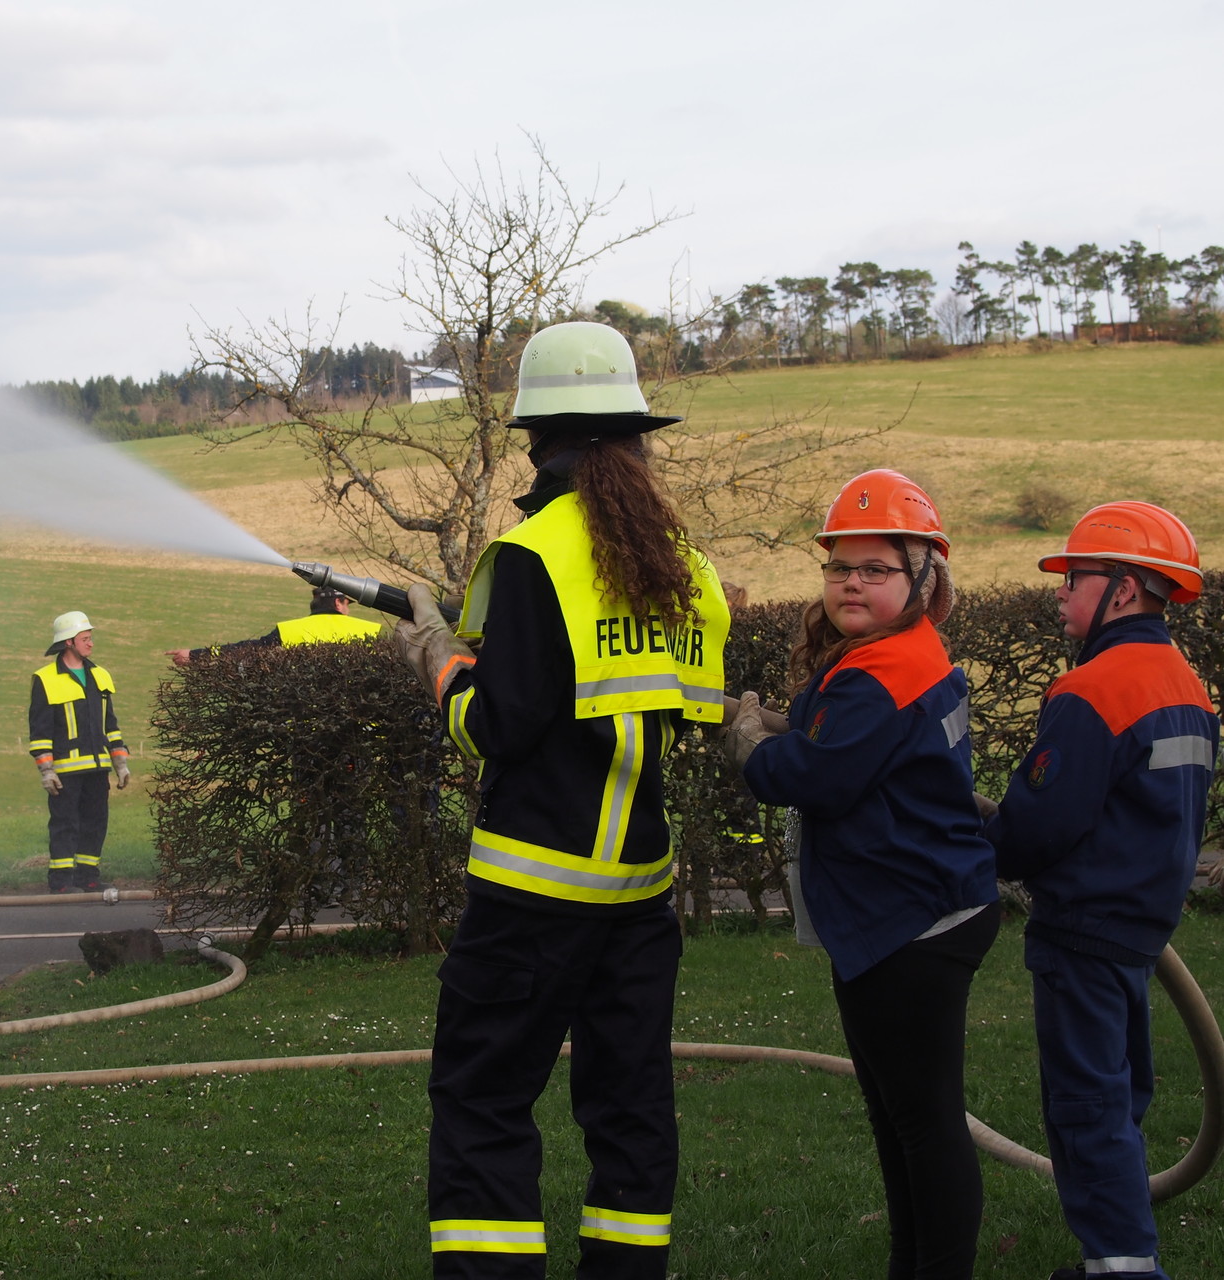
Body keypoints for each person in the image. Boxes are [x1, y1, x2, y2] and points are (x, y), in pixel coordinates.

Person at [394, 320, 730, 1279]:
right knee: (630, 1105)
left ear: (535, 441)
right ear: (632, 437)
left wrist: (440, 663)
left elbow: (495, 726)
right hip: (638, 894)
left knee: (485, 1099)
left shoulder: (535, 555)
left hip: (531, 897)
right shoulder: (679, 562)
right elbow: (680, 710)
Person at [721, 469, 1000, 1280]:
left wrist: (752, 747)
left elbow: (815, 779)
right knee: (903, 1120)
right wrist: (787, 725)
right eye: (840, 566)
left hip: (911, 926)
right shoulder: (897, 653)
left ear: (922, 578)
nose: (852, 582)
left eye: (876, 569)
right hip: (916, 910)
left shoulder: (882, 674)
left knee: (923, 1123)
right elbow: (839, 739)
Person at [979, 501, 1217, 1280]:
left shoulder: (1092, 690)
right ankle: (1119, 1251)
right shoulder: (1186, 686)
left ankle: (1122, 1267)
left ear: (1122, 589)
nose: (1058, 592)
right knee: (1120, 1093)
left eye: (1073, 578)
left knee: (1086, 1107)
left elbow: (1037, 828)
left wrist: (981, 842)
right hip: (1141, 927)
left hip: (1082, 928)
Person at [28, 610, 130, 893]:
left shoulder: (100, 676)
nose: (91, 643)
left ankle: (88, 877)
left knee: (96, 822)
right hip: (65, 772)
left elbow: (110, 725)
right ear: (69, 642)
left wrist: (120, 763)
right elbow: (40, 731)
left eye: (90, 638)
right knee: (65, 824)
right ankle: (60, 882)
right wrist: (46, 770)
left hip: (98, 769)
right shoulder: (46, 679)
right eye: (85, 638)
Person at [163, 585, 381, 665]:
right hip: (363, 725)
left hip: (310, 728)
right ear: (337, 603)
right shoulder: (369, 630)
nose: (348, 609)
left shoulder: (290, 630)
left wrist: (195, 655)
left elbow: (246, 649)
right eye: (347, 604)